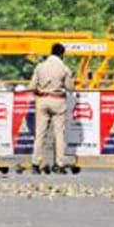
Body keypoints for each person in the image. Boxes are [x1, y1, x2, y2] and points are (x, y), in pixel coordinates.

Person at [29, 43, 75, 174]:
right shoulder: (64, 68)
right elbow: (70, 87)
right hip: (58, 101)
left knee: (40, 134)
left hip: (42, 100)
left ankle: (35, 164)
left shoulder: (40, 67)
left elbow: (31, 86)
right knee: (59, 134)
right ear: (62, 54)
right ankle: (59, 164)